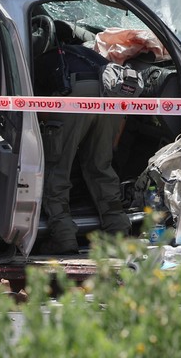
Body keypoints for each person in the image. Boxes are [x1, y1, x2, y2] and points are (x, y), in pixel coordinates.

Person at [32, 28, 131, 254]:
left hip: (73, 96)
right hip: (109, 97)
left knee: (57, 169)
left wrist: (52, 134)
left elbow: (33, 110)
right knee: (101, 166)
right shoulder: (88, 55)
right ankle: (118, 231)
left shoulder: (45, 60)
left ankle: (64, 238)